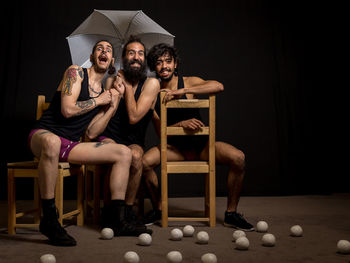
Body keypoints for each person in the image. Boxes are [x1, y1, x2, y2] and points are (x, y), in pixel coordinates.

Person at [29, 40, 148, 247]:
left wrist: (114, 102)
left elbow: (92, 132)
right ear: (93, 57)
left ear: (112, 62)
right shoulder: (76, 73)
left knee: (123, 153)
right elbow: (67, 110)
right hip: (43, 135)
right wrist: (99, 101)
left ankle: (117, 219)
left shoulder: (103, 89)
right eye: (99, 48)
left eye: (109, 50)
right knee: (52, 141)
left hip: (71, 145)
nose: (104, 51)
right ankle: (49, 218)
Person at [142, 43, 254, 231]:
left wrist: (182, 92)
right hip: (175, 150)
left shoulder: (188, 82)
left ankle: (231, 214)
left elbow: (218, 86)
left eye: (168, 61)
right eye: (159, 63)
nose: (164, 66)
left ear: (175, 64)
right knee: (143, 162)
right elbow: (160, 133)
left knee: (238, 158)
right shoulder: (153, 93)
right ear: (154, 67)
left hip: (203, 147)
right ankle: (159, 209)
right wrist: (179, 124)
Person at [86, 36, 159, 226]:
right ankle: (109, 211)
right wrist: (116, 91)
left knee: (135, 157)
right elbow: (103, 114)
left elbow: (134, 117)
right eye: (131, 53)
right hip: (109, 136)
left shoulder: (152, 84)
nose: (136, 57)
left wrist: (126, 88)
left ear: (144, 59)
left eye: (140, 53)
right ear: (124, 58)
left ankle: (126, 211)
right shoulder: (111, 80)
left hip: (134, 139)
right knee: (116, 154)